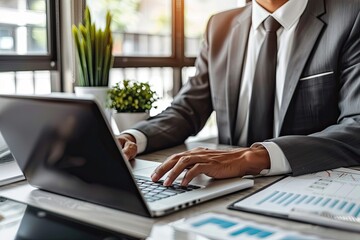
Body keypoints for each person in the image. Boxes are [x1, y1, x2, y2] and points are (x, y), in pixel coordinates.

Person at [118, 0, 360, 187]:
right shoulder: (219, 26)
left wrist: (252, 158)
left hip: (307, 184)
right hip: (226, 186)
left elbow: (356, 125)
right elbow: (187, 109)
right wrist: (134, 137)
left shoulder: (351, 16)